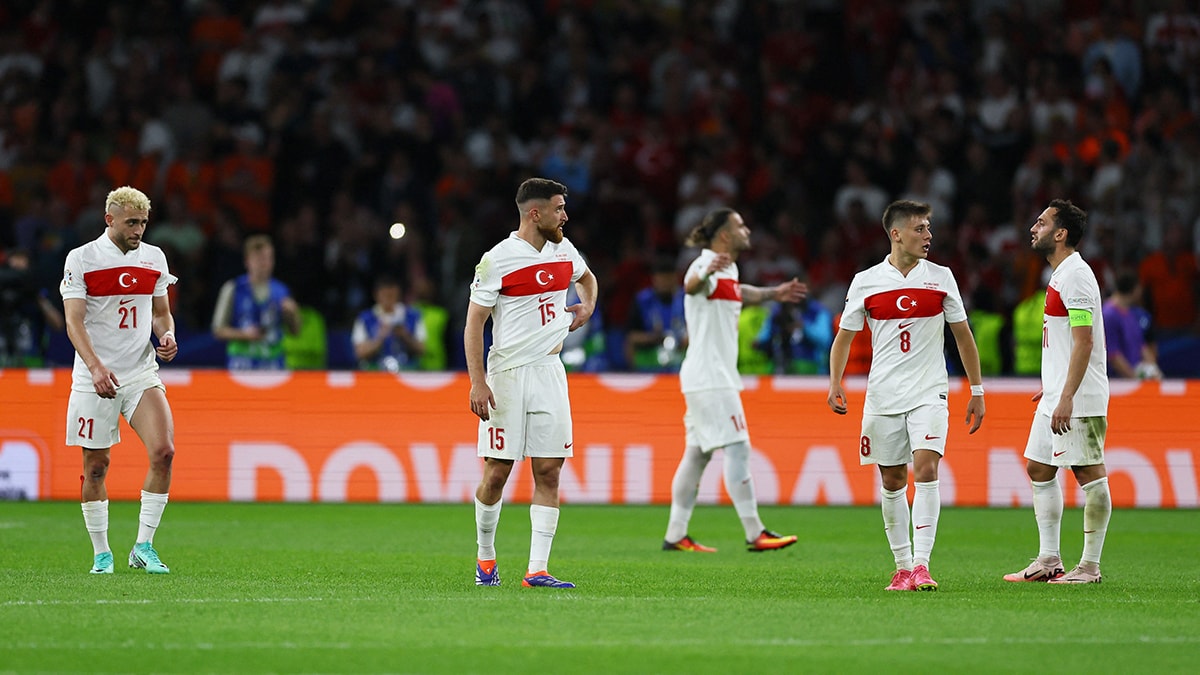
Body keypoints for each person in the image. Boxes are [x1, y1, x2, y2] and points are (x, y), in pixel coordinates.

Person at [827, 200, 986, 592]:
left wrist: (976, 389)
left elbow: (963, 335)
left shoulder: (941, 278)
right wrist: (835, 383)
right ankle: (901, 568)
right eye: (920, 229)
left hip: (929, 391)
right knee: (893, 478)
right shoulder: (866, 281)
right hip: (883, 395)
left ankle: (921, 565)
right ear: (896, 234)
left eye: (929, 228)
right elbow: (844, 337)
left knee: (926, 468)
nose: (928, 236)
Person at [466, 178, 598, 589]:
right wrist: (477, 382)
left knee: (549, 470)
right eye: (559, 209)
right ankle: (485, 557)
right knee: (497, 473)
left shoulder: (564, 250)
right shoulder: (497, 260)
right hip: (507, 375)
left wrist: (587, 306)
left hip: (550, 371)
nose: (565, 216)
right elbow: (474, 324)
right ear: (535, 213)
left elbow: (587, 278)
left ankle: (537, 570)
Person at [662, 207, 805, 554]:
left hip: (705, 375)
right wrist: (705, 271)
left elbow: (740, 292)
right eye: (740, 225)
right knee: (738, 447)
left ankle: (676, 534)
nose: (747, 230)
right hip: (711, 377)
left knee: (697, 454)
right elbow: (691, 286)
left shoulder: (729, 270)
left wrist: (774, 293)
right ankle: (755, 532)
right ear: (724, 234)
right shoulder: (704, 263)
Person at [59, 186, 179, 575]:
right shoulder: (82, 259)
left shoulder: (153, 257)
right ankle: (101, 552)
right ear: (109, 219)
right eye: (131, 223)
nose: (138, 230)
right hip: (94, 377)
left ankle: (143, 546)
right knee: (96, 466)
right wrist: (95, 367)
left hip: (140, 372)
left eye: (143, 223)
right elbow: (74, 321)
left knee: (164, 452)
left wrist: (166, 334)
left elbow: (160, 313)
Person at [1004, 199, 1112, 585]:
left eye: (1042, 223)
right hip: (1057, 392)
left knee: (1089, 473)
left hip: (1078, 398)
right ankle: (1049, 559)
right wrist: (1052, 385)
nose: (1033, 228)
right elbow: (1066, 342)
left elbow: (1084, 341)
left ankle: (1090, 567)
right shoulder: (1060, 274)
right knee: (1038, 467)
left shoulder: (1076, 276)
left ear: (1061, 233)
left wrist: (1067, 395)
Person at [211, 234, 300, 369]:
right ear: (247, 261)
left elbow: (295, 331)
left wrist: (292, 313)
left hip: (273, 364)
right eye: (259, 258)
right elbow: (218, 330)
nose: (264, 263)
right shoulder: (233, 288)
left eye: (268, 258)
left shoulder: (281, 290)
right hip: (241, 364)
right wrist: (244, 334)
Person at [351, 274, 426, 372]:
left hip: (406, 371)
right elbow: (359, 353)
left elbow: (422, 350)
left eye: (391, 295)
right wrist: (379, 338)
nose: (388, 299)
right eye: (385, 295)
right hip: (375, 372)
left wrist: (405, 336)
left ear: (398, 293)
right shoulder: (365, 318)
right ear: (376, 295)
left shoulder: (413, 316)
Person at [624, 257, 686, 372]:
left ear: (675, 278)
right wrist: (654, 338)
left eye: (668, 278)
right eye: (661, 278)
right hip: (649, 369)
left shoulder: (686, 299)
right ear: (654, 279)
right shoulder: (642, 301)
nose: (665, 282)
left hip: (680, 367)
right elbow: (631, 338)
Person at [1102, 271, 1161, 380]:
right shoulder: (1108, 315)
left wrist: (1153, 369)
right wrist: (1134, 378)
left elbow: (1141, 345)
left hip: (1135, 378)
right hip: (1118, 382)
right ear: (1136, 289)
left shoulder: (1131, 313)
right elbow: (1113, 355)